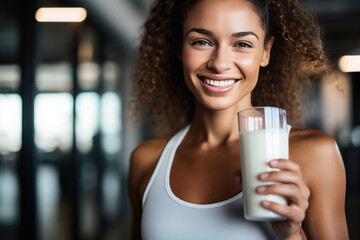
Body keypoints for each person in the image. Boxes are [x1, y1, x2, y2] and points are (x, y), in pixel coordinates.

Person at [128, 0, 349, 239]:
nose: (220, 63)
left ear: (266, 51)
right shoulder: (147, 161)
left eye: (242, 44)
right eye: (201, 42)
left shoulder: (316, 154)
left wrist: (290, 233)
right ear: (180, 48)